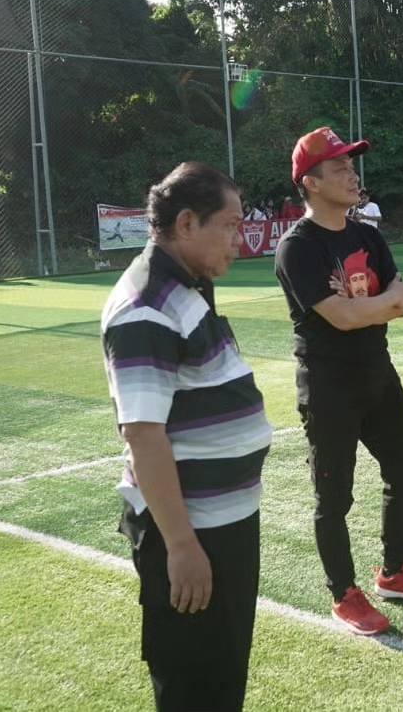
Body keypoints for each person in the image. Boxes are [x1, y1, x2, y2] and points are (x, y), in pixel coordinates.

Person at [100, 162, 273, 712]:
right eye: (229, 225)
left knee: (222, 680)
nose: (238, 240)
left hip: (225, 525)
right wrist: (180, 545)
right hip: (193, 534)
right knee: (195, 688)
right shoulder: (146, 306)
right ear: (186, 223)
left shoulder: (187, 288)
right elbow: (143, 436)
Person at [274, 127, 403, 635]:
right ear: (312, 182)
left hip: (377, 372)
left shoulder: (366, 235)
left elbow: (401, 297)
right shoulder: (297, 247)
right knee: (334, 497)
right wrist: (374, 308)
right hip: (329, 385)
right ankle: (343, 593)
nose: (353, 174)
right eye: (341, 167)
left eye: (352, 164)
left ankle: (394, 572)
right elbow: (342, 317)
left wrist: (365, 308)